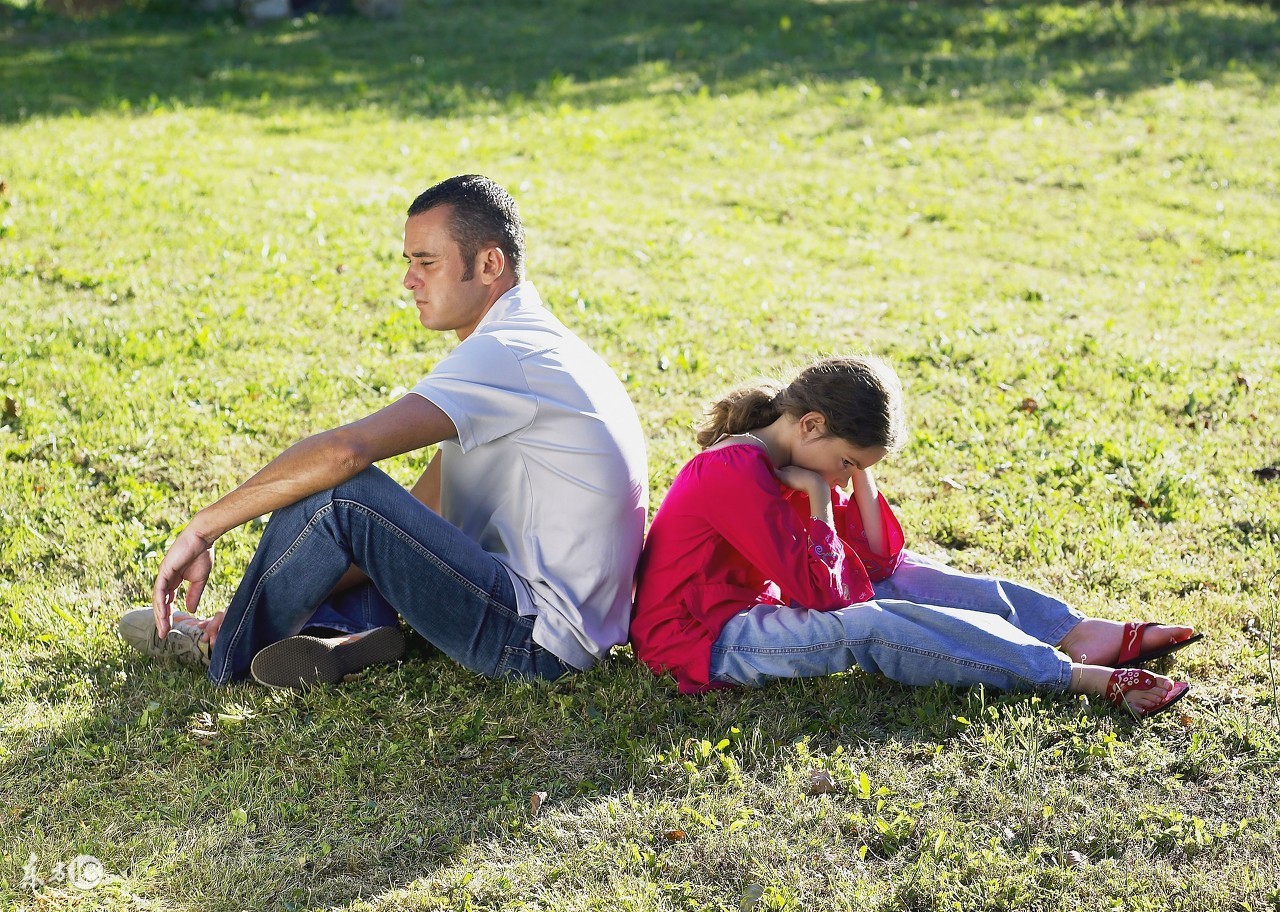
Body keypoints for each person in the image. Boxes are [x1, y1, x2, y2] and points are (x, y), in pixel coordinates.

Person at [120, 175, 648, 689]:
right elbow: (429, 505)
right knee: (355, 508)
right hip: (547, 621)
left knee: (340, 489)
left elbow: (347, 453)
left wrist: (203, 528)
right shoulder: (528, 343)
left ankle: (224, 646)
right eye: (409, 262)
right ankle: (347, 630)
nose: (409, 280)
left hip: (535, 642)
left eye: (427, 262)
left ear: (489, 264)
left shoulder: (507, 353)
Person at [630, 356, 1201, 719]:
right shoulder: (731, 473)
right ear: (809, 426)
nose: (845, 478)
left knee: (904, 576)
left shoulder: (787, 457)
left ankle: (1075, 631)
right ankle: (1074, 676)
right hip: (701, 639)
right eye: (846, 462)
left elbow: (878, 558)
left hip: (751, 605)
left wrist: (854, 473)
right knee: (870, 623)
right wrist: (824, 499)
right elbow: (827, 596)